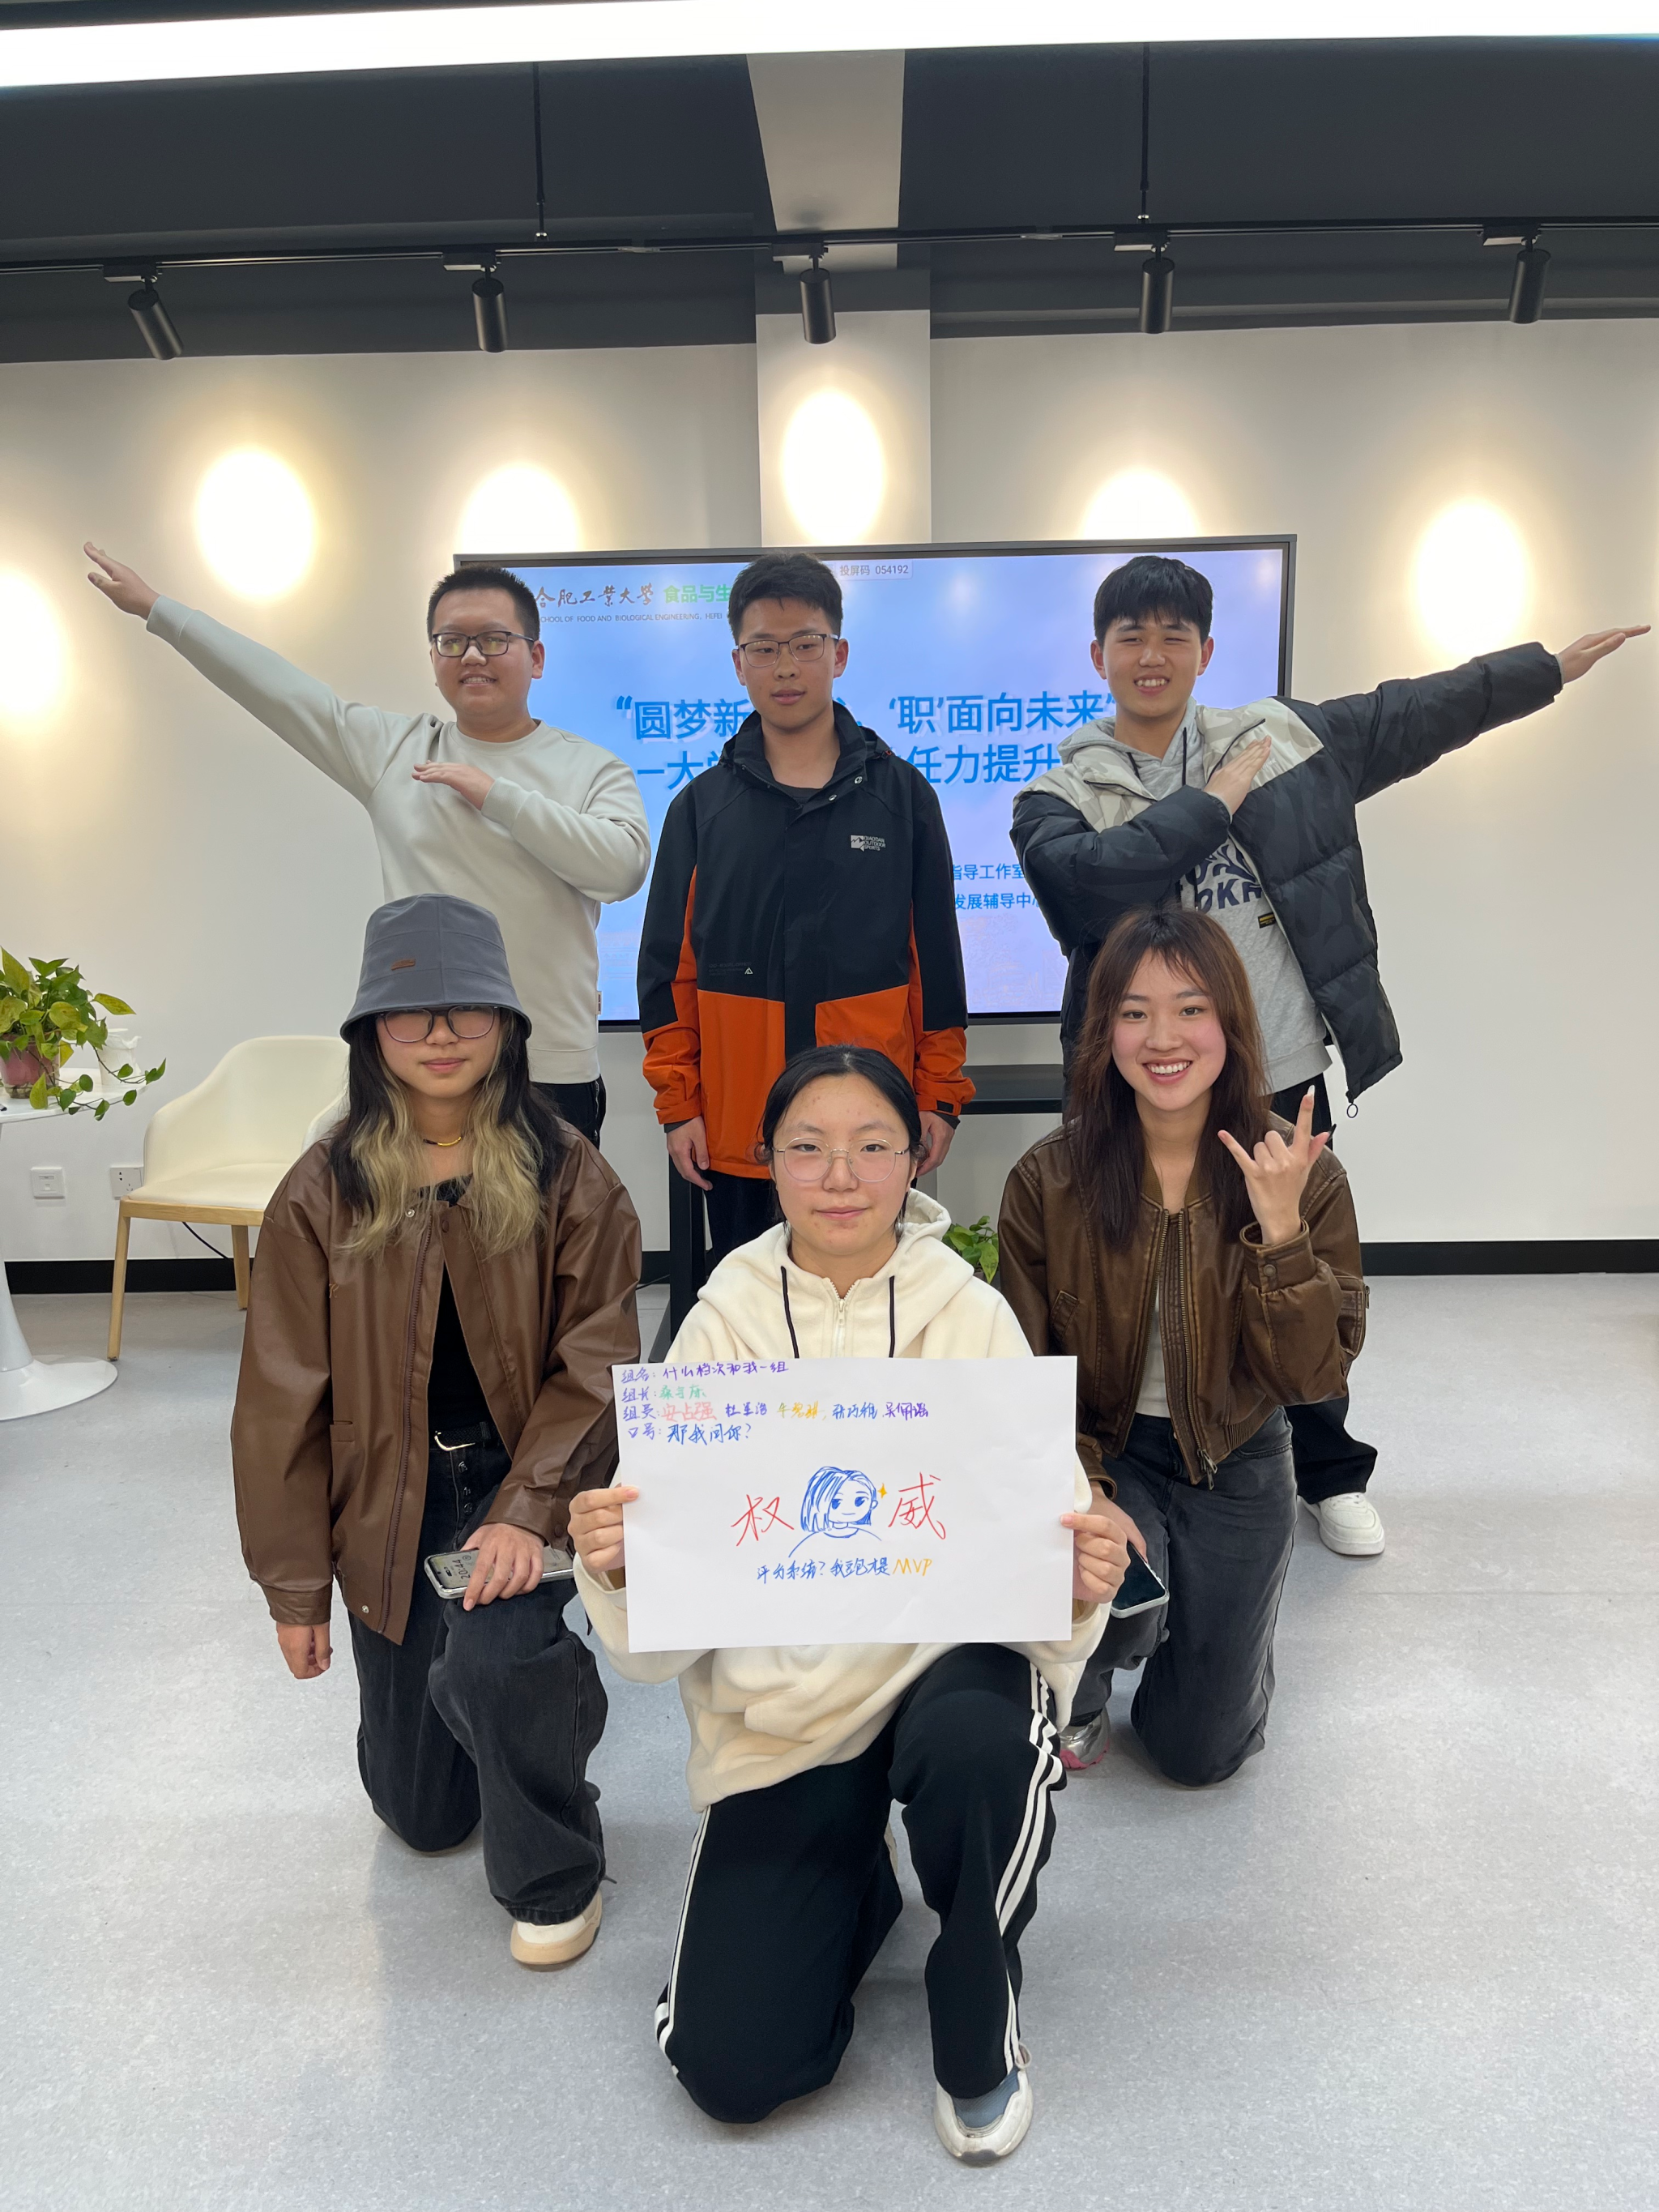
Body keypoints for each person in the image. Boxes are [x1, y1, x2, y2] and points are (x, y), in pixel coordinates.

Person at [1011, 553, 1646, 1557]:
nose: (1152, 653)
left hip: (1274, 1075)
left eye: (1174, 634)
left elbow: (1412, 712)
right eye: (1131, 635)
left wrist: (1544, 671)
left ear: (1205, 651)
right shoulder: (1061, 793)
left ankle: (1329, 1471)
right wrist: (1212, 804)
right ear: (1098, 656)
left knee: (1291, 1265)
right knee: (1130, 1278)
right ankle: (1113, 1460)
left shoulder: (1282, 742)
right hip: (1139, 1085)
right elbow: (1090, 886)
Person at [567, 1044, 1131, 2164]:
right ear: (765, 1161)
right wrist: (620, 1562)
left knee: (981, 1744)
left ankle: (979, 2021)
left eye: (872, 1145)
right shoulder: (719, 1323)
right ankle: (856, 1885)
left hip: (944, 1671)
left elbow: (1046, 1546)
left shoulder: (968, 1313)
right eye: (807, 1147)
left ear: (914, 1156)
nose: (840, 1176)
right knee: (732, 2070)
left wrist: (1079, 1575)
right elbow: (658, 1623)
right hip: (787, 1716)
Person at [231, 893, 642, 1966]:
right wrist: (293, 1590)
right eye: (412, 1012)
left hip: (521, 1478)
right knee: (420, 1814)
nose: (443, 1033)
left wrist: (527, 1512)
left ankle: (556, 1868)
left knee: (500, 1664)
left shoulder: (569, 1173)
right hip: (389, 1496)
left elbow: (599, 1365)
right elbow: (279, 1402)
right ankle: (503, 1707)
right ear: (371, 1031)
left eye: (469, 1009)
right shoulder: (321, 1190)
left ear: (506, 1023)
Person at [84, 544, 650, 1147]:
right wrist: (158, 609)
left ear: (535, 657)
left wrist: (495, 795)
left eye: (494, 639)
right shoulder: (395, 752)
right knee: (412, 1213)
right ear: (433, 659)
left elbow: (620, 869)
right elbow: (281, 691)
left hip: (548, 1066)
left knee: (552, 1213)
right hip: (426, 1064)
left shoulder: (592, 768)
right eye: (451, 642)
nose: (472, 656)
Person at [997, 907, 1367, 1779]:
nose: (1162, 1038)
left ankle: (1201, 1657)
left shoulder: (1299, 1172)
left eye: (1190, 1009)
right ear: (1104, 1031)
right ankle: (1083, 1679)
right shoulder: (1049, 1177)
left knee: (1201, 1753)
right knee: (1108, 1597)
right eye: (1134, 1012)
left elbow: (1313, 1376)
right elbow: (1019, 1373)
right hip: (1105, 1448)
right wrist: (1085, 1488)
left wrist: (1281, 1237)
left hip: (1240, 1456)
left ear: (1231, 1023)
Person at [636, 550, 973, 1268]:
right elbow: (669, 975)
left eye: (805, 645)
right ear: (739, 663)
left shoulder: (902, 798)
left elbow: (938, 968)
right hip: (742, 1130)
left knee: (874, 1312)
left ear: (839, 654)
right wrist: (679, 1105)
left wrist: (938, 1097)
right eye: (764, 648)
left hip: (869, 1132)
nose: (785, 666)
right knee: (754, 1315)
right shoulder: (700, 809)